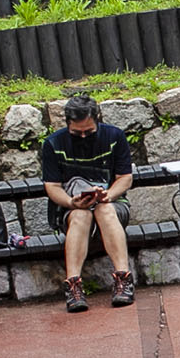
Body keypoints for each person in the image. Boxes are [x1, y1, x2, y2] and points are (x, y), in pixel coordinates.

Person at [40, 94, 136, 314]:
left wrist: (108, 195)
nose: (83, 136)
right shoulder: (53, 143)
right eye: (77, 133)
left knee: (104, 210)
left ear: (98, 120)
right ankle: (73, 286)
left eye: (89, 132)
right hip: (73, 208)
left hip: (112, 204)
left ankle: (123, 279)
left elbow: (125, 178)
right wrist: (71, 202)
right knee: (81, 215)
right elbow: (52, 186)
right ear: (67, 124)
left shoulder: (115, 136)